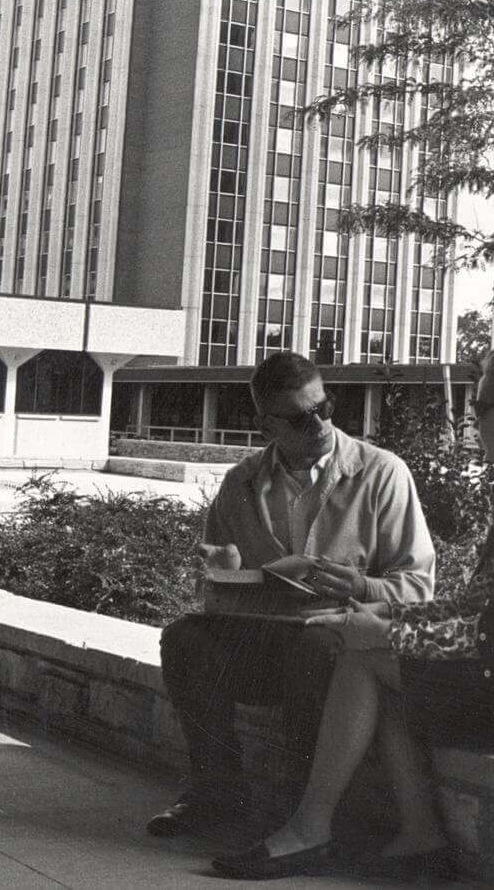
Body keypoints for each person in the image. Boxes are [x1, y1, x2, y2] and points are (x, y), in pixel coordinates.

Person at [209, 338, 494, 881]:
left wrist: (385, 631)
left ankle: (313, 829)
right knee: (369, 652)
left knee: (362, 658)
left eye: (477, 411)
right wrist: (385, 620)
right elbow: (483, 607)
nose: (471, 424)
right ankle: (419, 835)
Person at [148, 351, 435, 836]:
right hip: (264, 641)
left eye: (324, 407)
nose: (320, 425)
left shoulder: (382, 474)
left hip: (339, 645)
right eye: (301, 419)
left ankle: (302, 811)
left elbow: (421, 588)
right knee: (184, 639)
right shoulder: (240, 483)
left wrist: (361, 585)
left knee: (313, 649)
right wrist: (222, 576)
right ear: (266, 425)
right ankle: (217, 793)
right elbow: (217, 600)